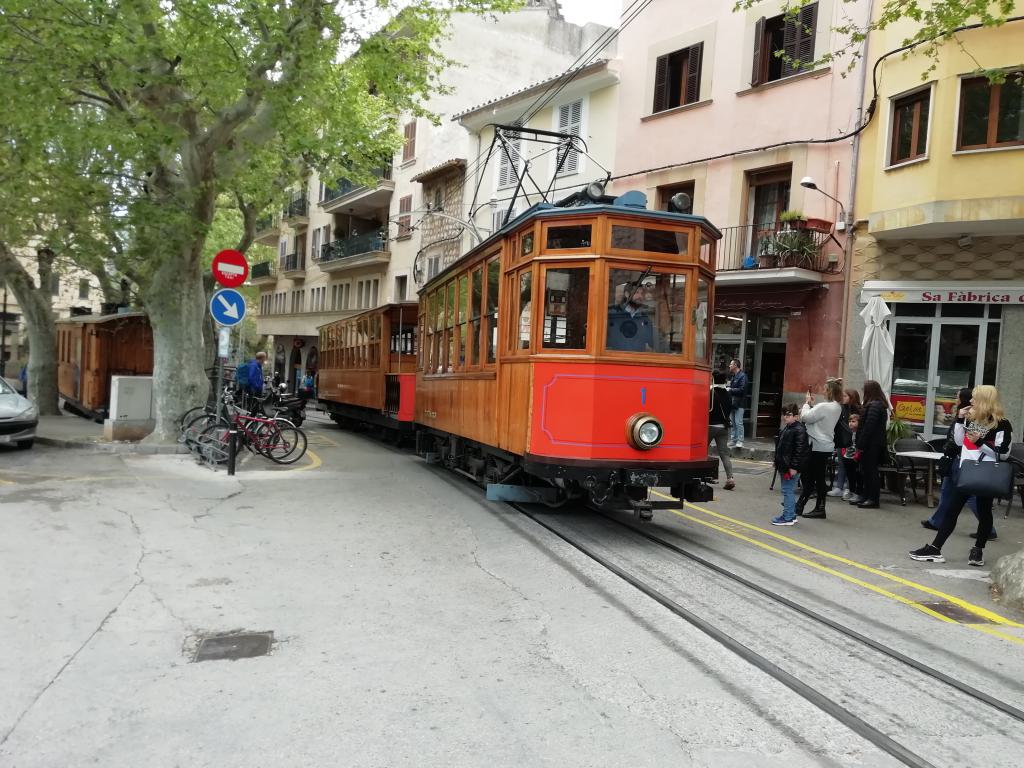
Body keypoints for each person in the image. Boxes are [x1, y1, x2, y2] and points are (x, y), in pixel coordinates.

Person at [910, 385, 1012, 566]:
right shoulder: (971, 419)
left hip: (985, 474)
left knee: (984, 512)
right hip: (966, 472)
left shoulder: (1002, 424)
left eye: (974, 398)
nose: (970, 401)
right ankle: (935, 549)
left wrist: (979, 442)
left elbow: (1003, 454)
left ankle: (977, 550)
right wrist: (959, 419)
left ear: (983, 400)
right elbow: (958, 442)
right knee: (951, 510)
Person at [921, 388, 992, 538]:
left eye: (957, 396)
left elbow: (963, 443)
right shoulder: (964, 415)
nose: (955, 399)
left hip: (962, 462)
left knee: (969, 495)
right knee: (948, 494)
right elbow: (959, 439)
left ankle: (988, 529)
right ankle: (937, 523)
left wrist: (953, 450)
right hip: (958, 460)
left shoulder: (980, 419)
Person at [796, 377, 843, 519]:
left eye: (824, 389)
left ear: (829, 391)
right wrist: (812, 406)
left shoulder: (824, 407)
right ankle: (801, 505)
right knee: (815, 477)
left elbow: (805, 417)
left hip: (817, 445)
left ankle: (815, 508)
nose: (822, 391)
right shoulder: (836, 407)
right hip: (825, 445)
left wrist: (806, 403)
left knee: (815, 478)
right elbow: (816, 419)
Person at [854, 380, 890, 509]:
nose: (863, 392)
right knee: (867, 471)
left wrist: (861, 444)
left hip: (872, 445)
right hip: (873, 444)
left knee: (870, 472)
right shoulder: (877, 404)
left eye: (864, 390)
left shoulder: (875, 405)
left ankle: (873, 499)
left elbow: (869, 427)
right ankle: (866, 496)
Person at [772, 403, 809, 526]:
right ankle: (791, 515)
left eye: (788, 415)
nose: (785, 417)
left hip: (790, 467)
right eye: (784, 415)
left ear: (796, 416)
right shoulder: (789, 427)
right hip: (785, 465)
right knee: (788, 490)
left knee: (787, 490)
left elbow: (800, 451)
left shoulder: (798, 430)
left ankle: (787, 516)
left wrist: (794, 467)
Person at [828, 389, 862, 500]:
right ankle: (839, 487)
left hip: (852, 441)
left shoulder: (857, 409)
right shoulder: (841, 408)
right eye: (842, 396)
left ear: (852, 397)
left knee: (851, 465)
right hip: (841, 439)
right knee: (842, 463)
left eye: (845, 396)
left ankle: (849, 488)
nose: (843, 398)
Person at [708, 370, 736, 491]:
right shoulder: (728, 394)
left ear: (713, 379)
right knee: (724, 454)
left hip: (710, 426)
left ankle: (709, 476)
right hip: (723, 428)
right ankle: (730, 478)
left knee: (703, 451)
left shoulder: (710, 392)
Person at [841, 412, 864, 503]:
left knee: (857, 476)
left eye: (853, 421)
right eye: (850, 421)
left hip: (855, 458)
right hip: (847, 457)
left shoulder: (860, 433)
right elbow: (844, 444)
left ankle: (858, 493)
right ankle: (851, 491)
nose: (851, 423)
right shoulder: (847, 432)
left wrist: (857, 456)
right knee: (850, 476)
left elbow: (860, 447)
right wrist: (843, 454)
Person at [727, 359, 748, 449]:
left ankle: (740, 441)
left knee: (738, 422)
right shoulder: (734, 376)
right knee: (733, 422)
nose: (729, 366)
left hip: (740, 403)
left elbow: (742, 389)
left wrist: (730, 389)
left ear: (735, 365)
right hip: (733, 402)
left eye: (731, 364)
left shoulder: (743, 376)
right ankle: (734, 439)